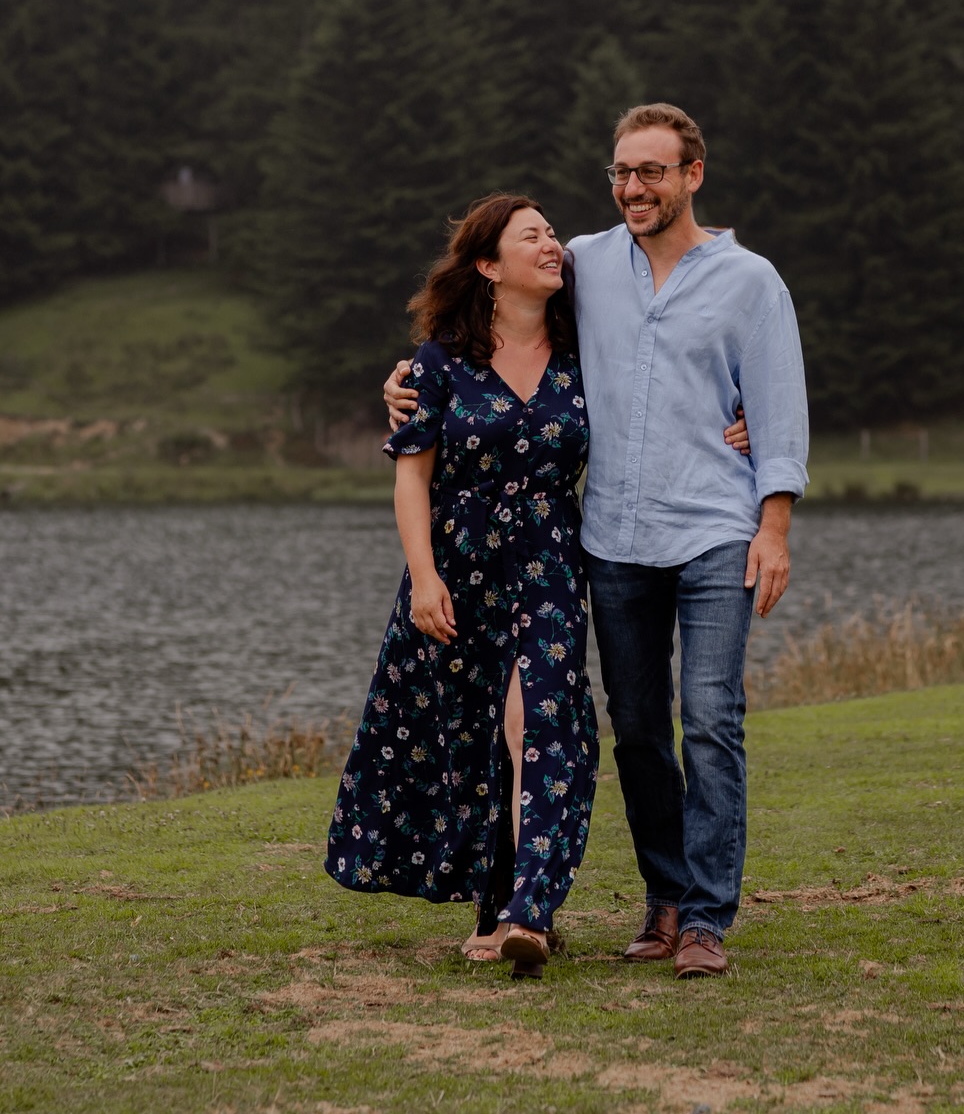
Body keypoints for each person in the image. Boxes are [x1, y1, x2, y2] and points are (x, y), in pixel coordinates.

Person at [386, 103, 807, 980]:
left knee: (711, 720)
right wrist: (406, 382)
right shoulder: (583, 264)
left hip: (717, 528)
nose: (633, 187)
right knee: (640, 729)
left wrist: (774, 527)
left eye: (652, 171)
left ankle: (706, 920)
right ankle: (664, 899)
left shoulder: (751, 281)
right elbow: (496, 305)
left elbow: (778, 408)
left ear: (693, 174)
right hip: (613, 538)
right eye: (621, 172)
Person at [325, 193, 598, 980]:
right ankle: (494, 903)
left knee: (537, 718)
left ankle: (529, 910)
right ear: (488, 264)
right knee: (474, 732)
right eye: (531, 235)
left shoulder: (586, 352)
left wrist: (733, 425)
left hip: (549, 561)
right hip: (458, 565)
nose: (551, 244)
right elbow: (412, 477)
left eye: (552, 233)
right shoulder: (439, 362)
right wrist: (423, 578)